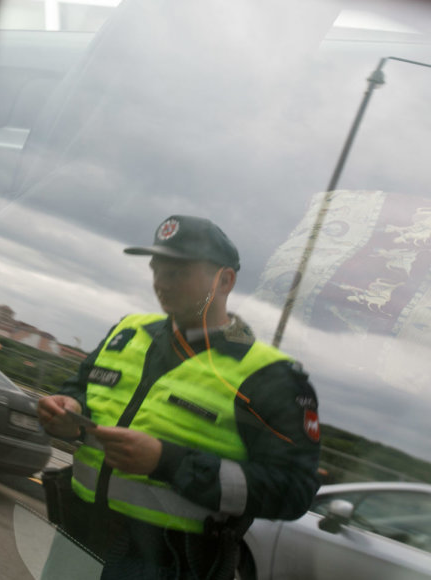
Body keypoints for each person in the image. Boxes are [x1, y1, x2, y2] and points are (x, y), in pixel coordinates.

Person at [38, 215, 321, 580]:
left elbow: (294, 491)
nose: (161, 283)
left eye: (178, 273)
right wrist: (69, 410)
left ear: (225, 280)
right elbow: (81, 388)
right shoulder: (127, 331)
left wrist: (167, 462)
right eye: (157, 269)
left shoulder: (270, 376)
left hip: (170, 564)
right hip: (77, 543)